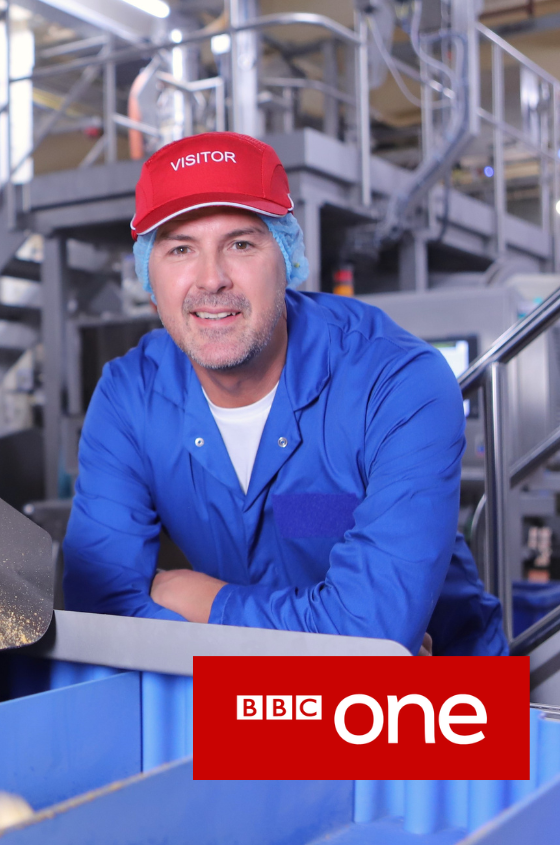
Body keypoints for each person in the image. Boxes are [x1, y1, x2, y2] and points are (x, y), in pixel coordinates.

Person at [62, 131, 507, 656]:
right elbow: (102, 615)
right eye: (181, 248)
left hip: (441, 710)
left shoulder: (397, 383)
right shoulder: (129, 397)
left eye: (241, 244)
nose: (212, 279)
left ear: (287, 257)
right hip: (242, 704)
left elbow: (374, 634)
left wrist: (206, 604)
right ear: (148, 275)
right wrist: (340, 642)